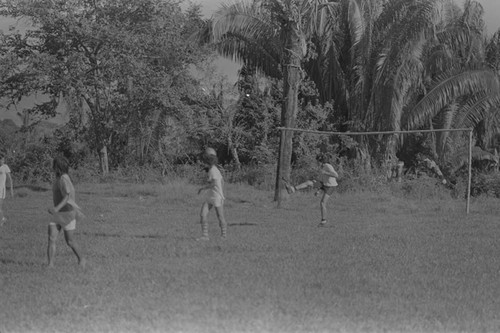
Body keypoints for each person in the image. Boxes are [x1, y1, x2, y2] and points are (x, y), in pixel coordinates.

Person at [47, 156, 85, 267]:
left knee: (70, 241)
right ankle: (50, 265)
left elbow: (67, 197)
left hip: (68, 214)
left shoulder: (64, 178)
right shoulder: (58, 179)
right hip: (58, 215)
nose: (52, 167)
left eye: (54, 165)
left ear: (57, 167)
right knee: (51, 238)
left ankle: (82, 259)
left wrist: (56, 208)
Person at [283, 154, 339, 227]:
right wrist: (319, 190)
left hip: (331, 186)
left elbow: (336, 175)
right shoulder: (321, 167)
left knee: (322, 203)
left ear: (321, 161)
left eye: (318, 161)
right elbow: (322, 180)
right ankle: (292, 189)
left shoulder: (328, 166)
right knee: (308, 182)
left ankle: (323, 222)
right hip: (324, 184)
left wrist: (326, 173)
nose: (317, 162)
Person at [197, 151, 227, 241]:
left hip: (217, 197)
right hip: (210, 196)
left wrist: (202, 188)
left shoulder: (213, 170)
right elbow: (222, 181)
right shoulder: (212, 169)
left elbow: (213, 184)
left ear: (208, 162)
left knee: (220, 216)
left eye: (203, 162)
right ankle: (205, 236)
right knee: (203, 214)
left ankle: (223, 236)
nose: (202, 163)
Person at [0, 153, 13, 226]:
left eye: (3, 159)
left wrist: (11, 190)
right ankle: (3, 218)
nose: (2, 161)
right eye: (1, 159)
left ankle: (2, 221)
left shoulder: (5, 167)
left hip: (1, 190)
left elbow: (10, 179)